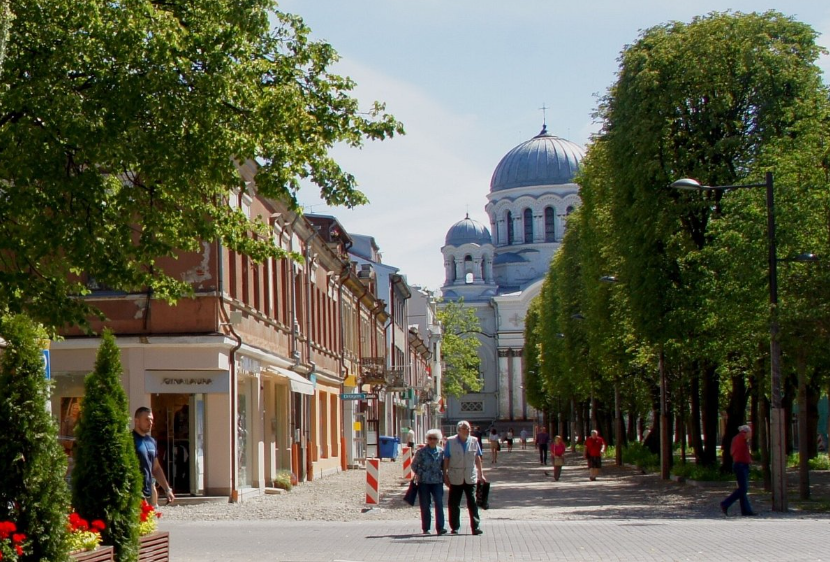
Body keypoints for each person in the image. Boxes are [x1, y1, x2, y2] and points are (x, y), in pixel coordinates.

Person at [443, 421, 486, 535]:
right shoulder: (450, 441)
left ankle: (475, 526)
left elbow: (477, 458)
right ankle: (455, 527)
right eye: (464, 428)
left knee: (472, 502)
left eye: (468, 428)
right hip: (455, 476)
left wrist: (481, 474)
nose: (467, 430)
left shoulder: (474, 441)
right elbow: (446, 458)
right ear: (458, 430)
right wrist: (445, 475)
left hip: (470, 476)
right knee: (454, 503)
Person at [133, 407, 175, 506]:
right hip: (135, 492)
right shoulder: (130, 439)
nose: (150, 422)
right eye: (147, 419)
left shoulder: (151, 441)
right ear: (137, 421)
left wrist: (167, 489)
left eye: (151, 419)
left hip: (149, 491)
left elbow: (155, 468)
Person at [411, 429, 447, 535]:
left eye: (434, 438)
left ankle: (440, 527)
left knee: (439, 504)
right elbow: (414, 465)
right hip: (424, 482)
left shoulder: (441, 452)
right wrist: (420, 473)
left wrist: (445, 475)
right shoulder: (421, 452)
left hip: (437, 481)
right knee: (425, 505)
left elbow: (444, 466)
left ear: (438, 440)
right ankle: (426, 528)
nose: (432, 441)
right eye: (430, 438)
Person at [720, 425, 756, 517]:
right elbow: (746, 437)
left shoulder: (736, 438)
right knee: (742, 489)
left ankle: (746, 510)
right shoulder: (742, 437)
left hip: (738, 464)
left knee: (742, 489)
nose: (751, 434)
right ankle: (725, 503)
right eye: (750, 432)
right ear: (746, 432)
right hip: (741, 465)